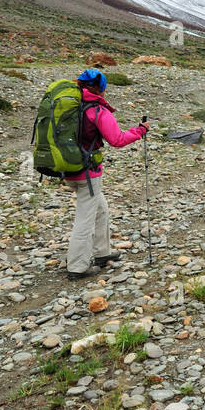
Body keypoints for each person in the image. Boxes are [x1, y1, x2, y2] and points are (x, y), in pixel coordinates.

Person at [64, 68, 147, 279]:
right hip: (88, 173)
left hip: (69, 168)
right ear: (101, 88)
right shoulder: (96, 110)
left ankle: (102, 252)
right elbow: (117, 139)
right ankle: (77, 267)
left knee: (101, 209)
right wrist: (140, 131)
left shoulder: (69, 105)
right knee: (85, 218)